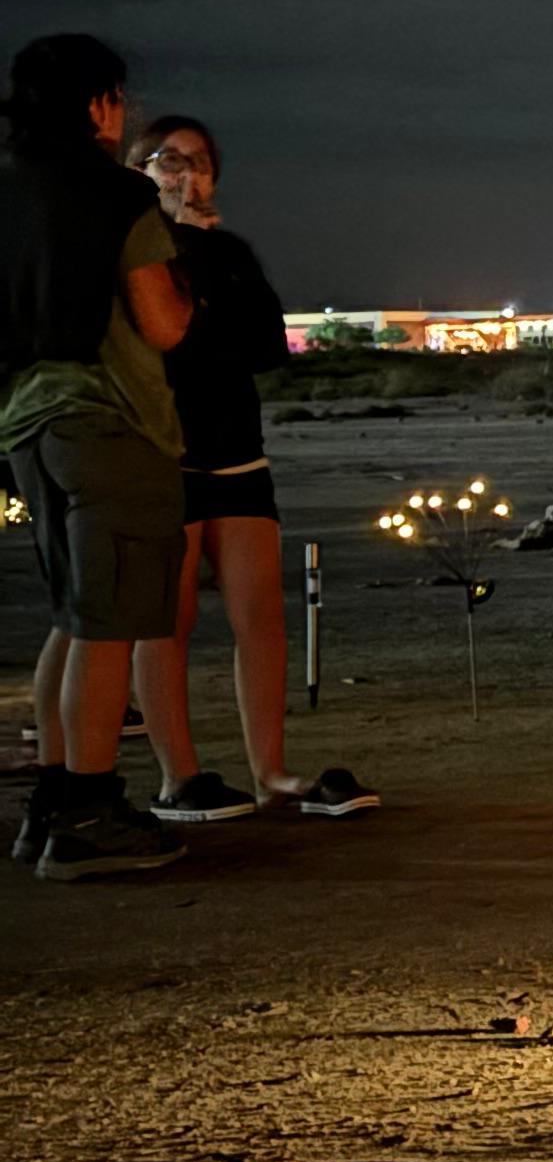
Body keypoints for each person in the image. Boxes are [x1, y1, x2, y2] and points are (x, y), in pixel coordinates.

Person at [129, 116, 372, 823]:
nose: (184, 173)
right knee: (164, 621)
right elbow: (167, 336)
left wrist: (204, 252)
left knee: (261, 615)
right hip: (162, 452)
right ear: (138, 169)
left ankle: (272, 771)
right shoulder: (132, 250)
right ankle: (180, 777)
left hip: (237, 449)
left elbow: (265, 341)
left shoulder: (227, 249)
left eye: (199, 161)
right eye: (166, 159)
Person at [2, 35, 193, 880]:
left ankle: (52, 803)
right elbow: (163, 323)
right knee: (111, 625)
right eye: (119, 101)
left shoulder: (8, 194)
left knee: (76, 620)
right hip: (112, 423)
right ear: (96, 106)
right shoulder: (118, 196)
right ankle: (88, 811)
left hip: (26, 428)